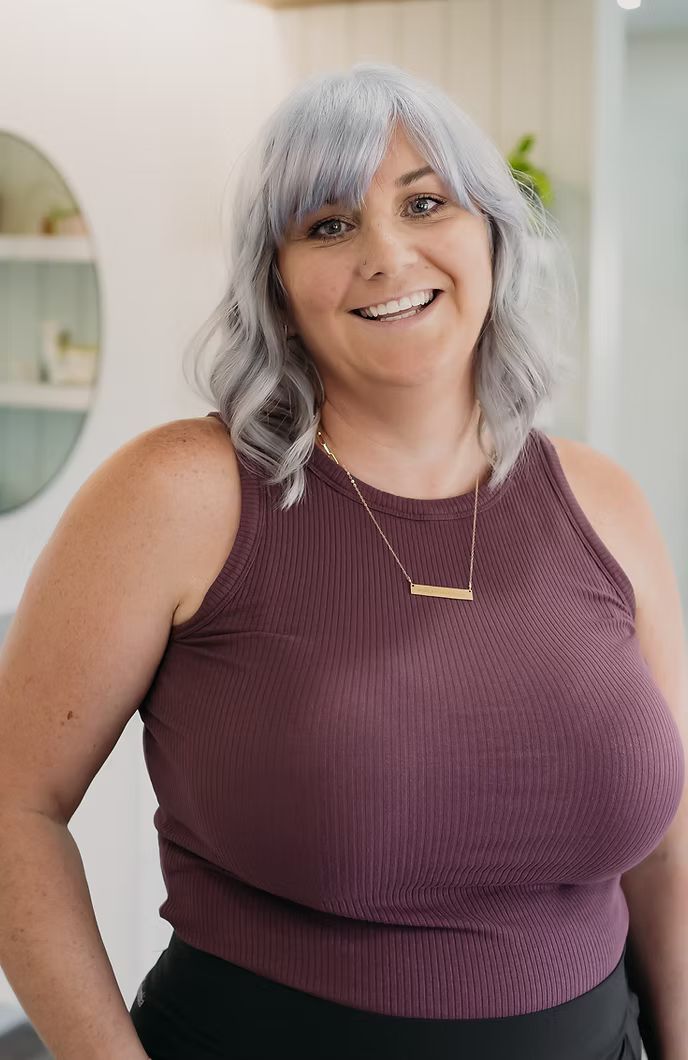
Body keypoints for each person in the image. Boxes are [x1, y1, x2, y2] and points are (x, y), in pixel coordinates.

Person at [0, 61, 683, 1060]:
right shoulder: (178, 494)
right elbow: (14, 806)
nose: (386, 254)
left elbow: (664, 850)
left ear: (493, 234)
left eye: (425, 203)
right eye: (328, 225)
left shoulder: (604, 502)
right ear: (275, 284)